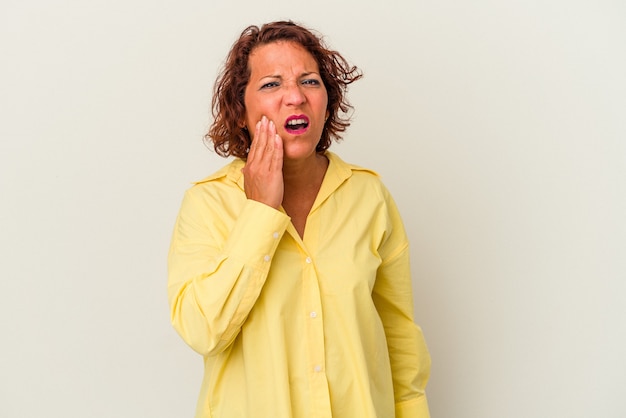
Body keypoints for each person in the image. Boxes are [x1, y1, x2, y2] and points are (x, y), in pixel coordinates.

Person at [168, 20, 431, 418]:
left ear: (328, 100)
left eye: (309, 82)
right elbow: (203, 330)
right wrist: (259, 213)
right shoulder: (207, 204)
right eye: (271, 84)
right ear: (241, 111)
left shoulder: (368, 196)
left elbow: (400, 339)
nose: (295, 97)